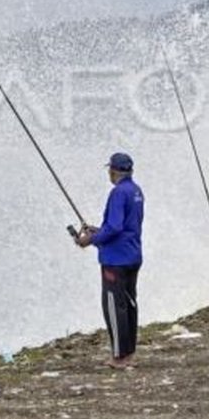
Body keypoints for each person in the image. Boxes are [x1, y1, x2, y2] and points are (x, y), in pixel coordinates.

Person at [74, 152, 145, 368]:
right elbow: (124, 225)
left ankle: (118, 357)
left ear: (113, 171)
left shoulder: (117, 193)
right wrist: (98, 231)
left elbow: (115, 227)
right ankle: (129, 352)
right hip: (132, 254)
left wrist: (90, 240)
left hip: (116, 258)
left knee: (114, 306)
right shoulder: (136, 191)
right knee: (129, 303)